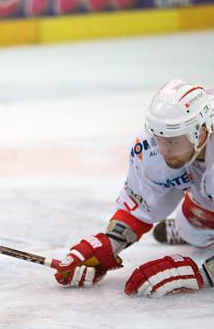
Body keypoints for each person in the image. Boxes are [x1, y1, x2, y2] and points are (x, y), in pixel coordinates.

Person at [54, 79, 214, 297]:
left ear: (201, 132)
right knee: (195, 227)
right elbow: (142, 204)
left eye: (174, 141)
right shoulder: (150, 146)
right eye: (160, 138)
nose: (164, 150)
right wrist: (109, 243)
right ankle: (188, 225)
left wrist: (201, 273)